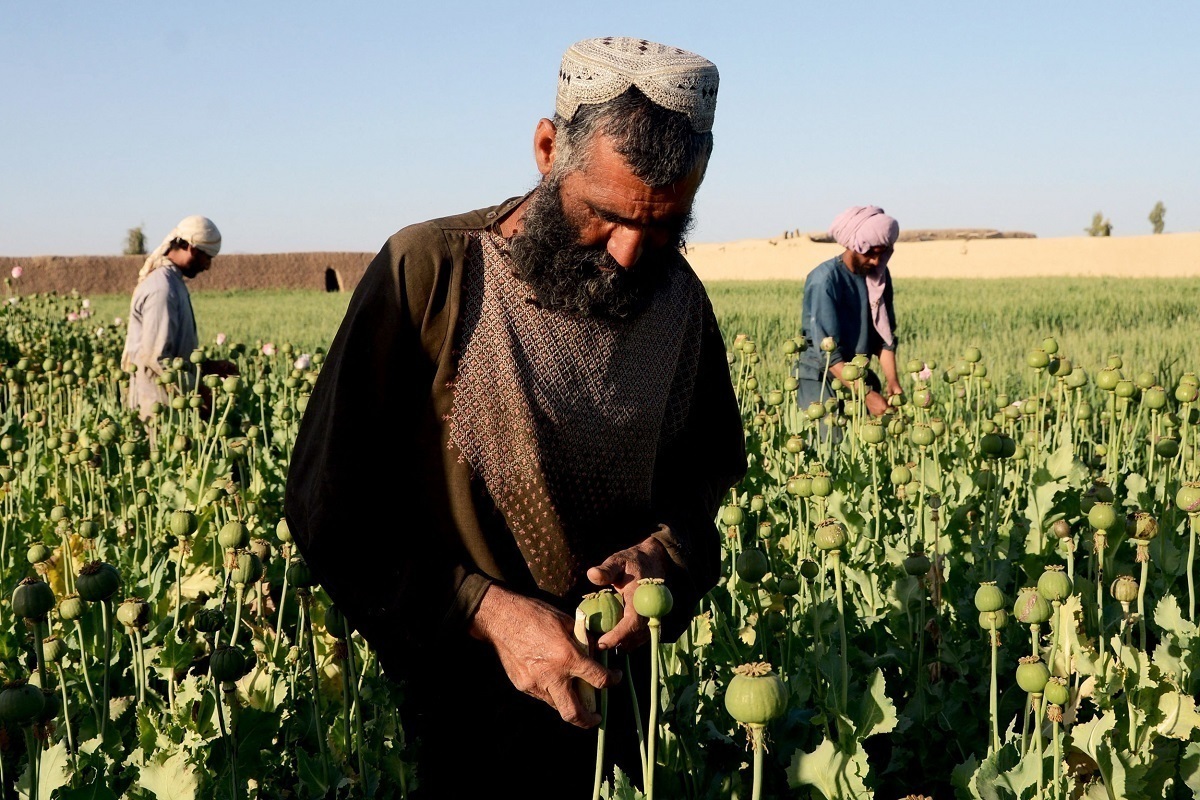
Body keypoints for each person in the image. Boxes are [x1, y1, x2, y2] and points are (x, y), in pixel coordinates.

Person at [283, 37, 746, 797]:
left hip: (612, 707)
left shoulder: (681, 305)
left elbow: (699, 484)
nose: (632, 252)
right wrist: (487, 611)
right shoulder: (431, 273)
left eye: (665, 226)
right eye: (607, 215)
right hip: (451, 705)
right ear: (546, 149)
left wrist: (664, 557)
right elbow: (329, 507)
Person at [796, 205, 903, 421]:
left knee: (860, 448)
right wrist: (866, 395)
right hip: (821, 377)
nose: (875, 261)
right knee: (829, 445)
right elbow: (828, 353)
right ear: (854, 245)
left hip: (859, 377)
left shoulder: (878, 275)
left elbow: (884, 338)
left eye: (881, 254)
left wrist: (893, 382)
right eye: (870, 253)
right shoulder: (825, 280)